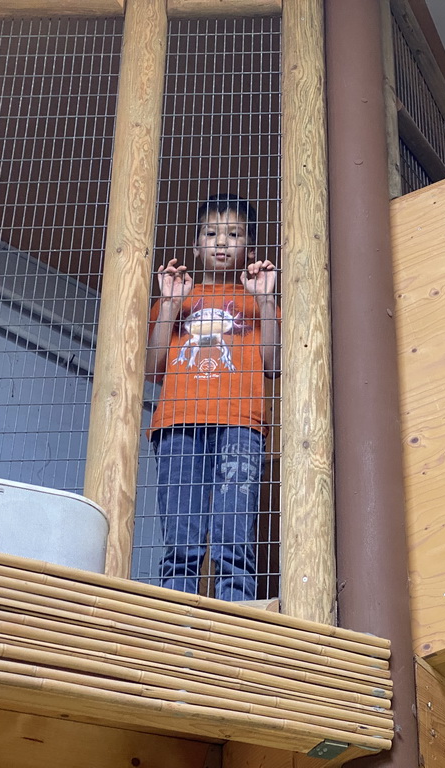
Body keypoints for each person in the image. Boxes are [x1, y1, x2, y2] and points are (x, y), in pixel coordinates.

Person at [145, 194, 279, 601]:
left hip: (240, 423)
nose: (221, 242)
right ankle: (175, 621)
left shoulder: (255, 299)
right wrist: (169, 303)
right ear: (196, 245)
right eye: (211, 233)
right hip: (178, 424)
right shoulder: (180, 297)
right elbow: (153, 367)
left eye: (233, 234)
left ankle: (234, 620)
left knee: (233, 534)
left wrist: (266, 300)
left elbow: (273, 364)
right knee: (181, 539)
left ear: (250, 248)